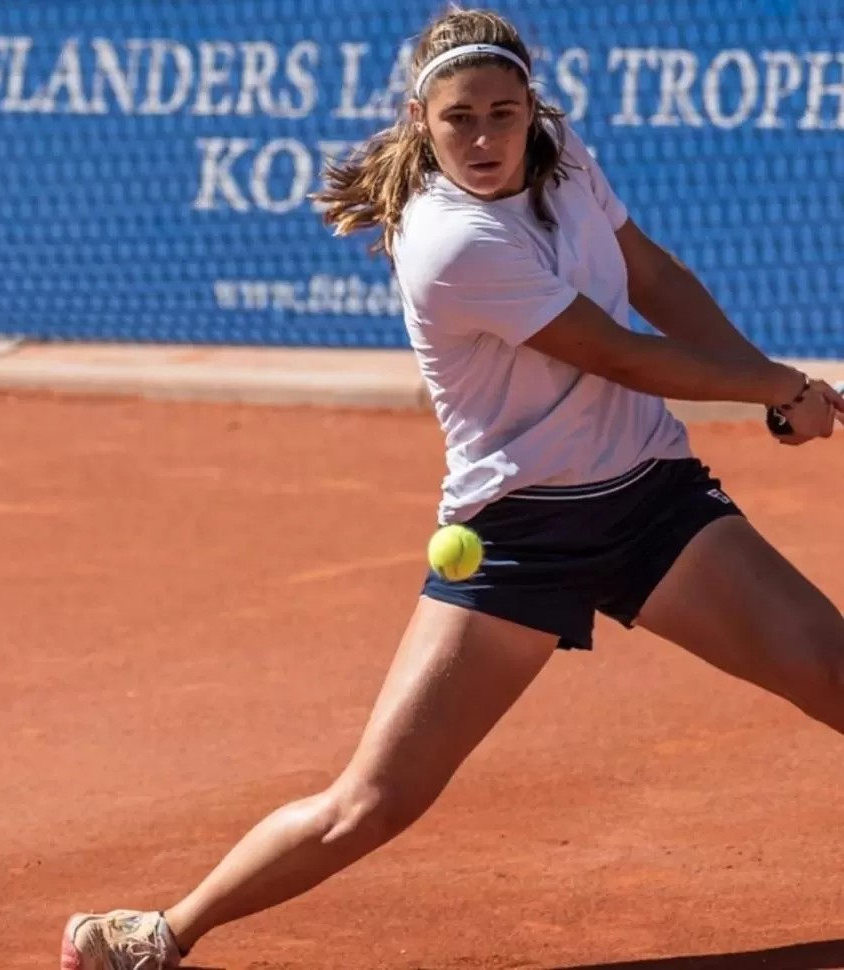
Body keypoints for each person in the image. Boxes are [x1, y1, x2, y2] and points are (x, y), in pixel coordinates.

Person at [59, 7, 844, 969]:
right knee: (373, 802)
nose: (483, 138)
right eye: (458, 118)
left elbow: (650, 273)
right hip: (519, 536)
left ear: (534, 111)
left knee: (835, 671)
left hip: (653, 500)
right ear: (419, 120)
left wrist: (774, 382)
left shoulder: (561, 150)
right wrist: (776, 387)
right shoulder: (448, 239)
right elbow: (620, 354)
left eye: (503, 114)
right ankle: (162, 930)